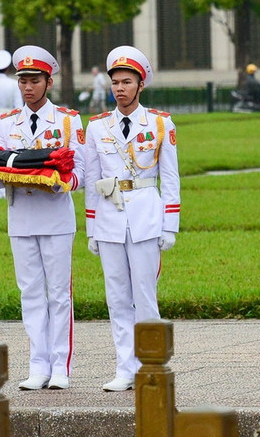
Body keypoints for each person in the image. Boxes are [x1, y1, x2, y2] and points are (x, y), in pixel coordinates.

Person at [83, 46, 180, 392]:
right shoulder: (97, 126)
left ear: (141, 84)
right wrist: (91, 228)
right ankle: (125, 367)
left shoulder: (159, 123)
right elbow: (92, 182)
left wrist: (170, 224)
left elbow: (170, 178)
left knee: (145, 295)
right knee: (117, 297)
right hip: (109, 218)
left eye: (127, 82)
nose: (120, 88)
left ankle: (151, 364)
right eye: (115, 82)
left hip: (145, 216)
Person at [0, 46, 85, 391]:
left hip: (55, 213)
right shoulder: (6, 123)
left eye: (35, 80)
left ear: (49, 82)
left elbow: (81, 170)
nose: (28, 87)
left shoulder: (67, 120)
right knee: (30, 293)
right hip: (21, 215)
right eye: (23, 81)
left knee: (59, 294)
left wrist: (61, 182)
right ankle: (38, 364)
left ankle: (60, 365)